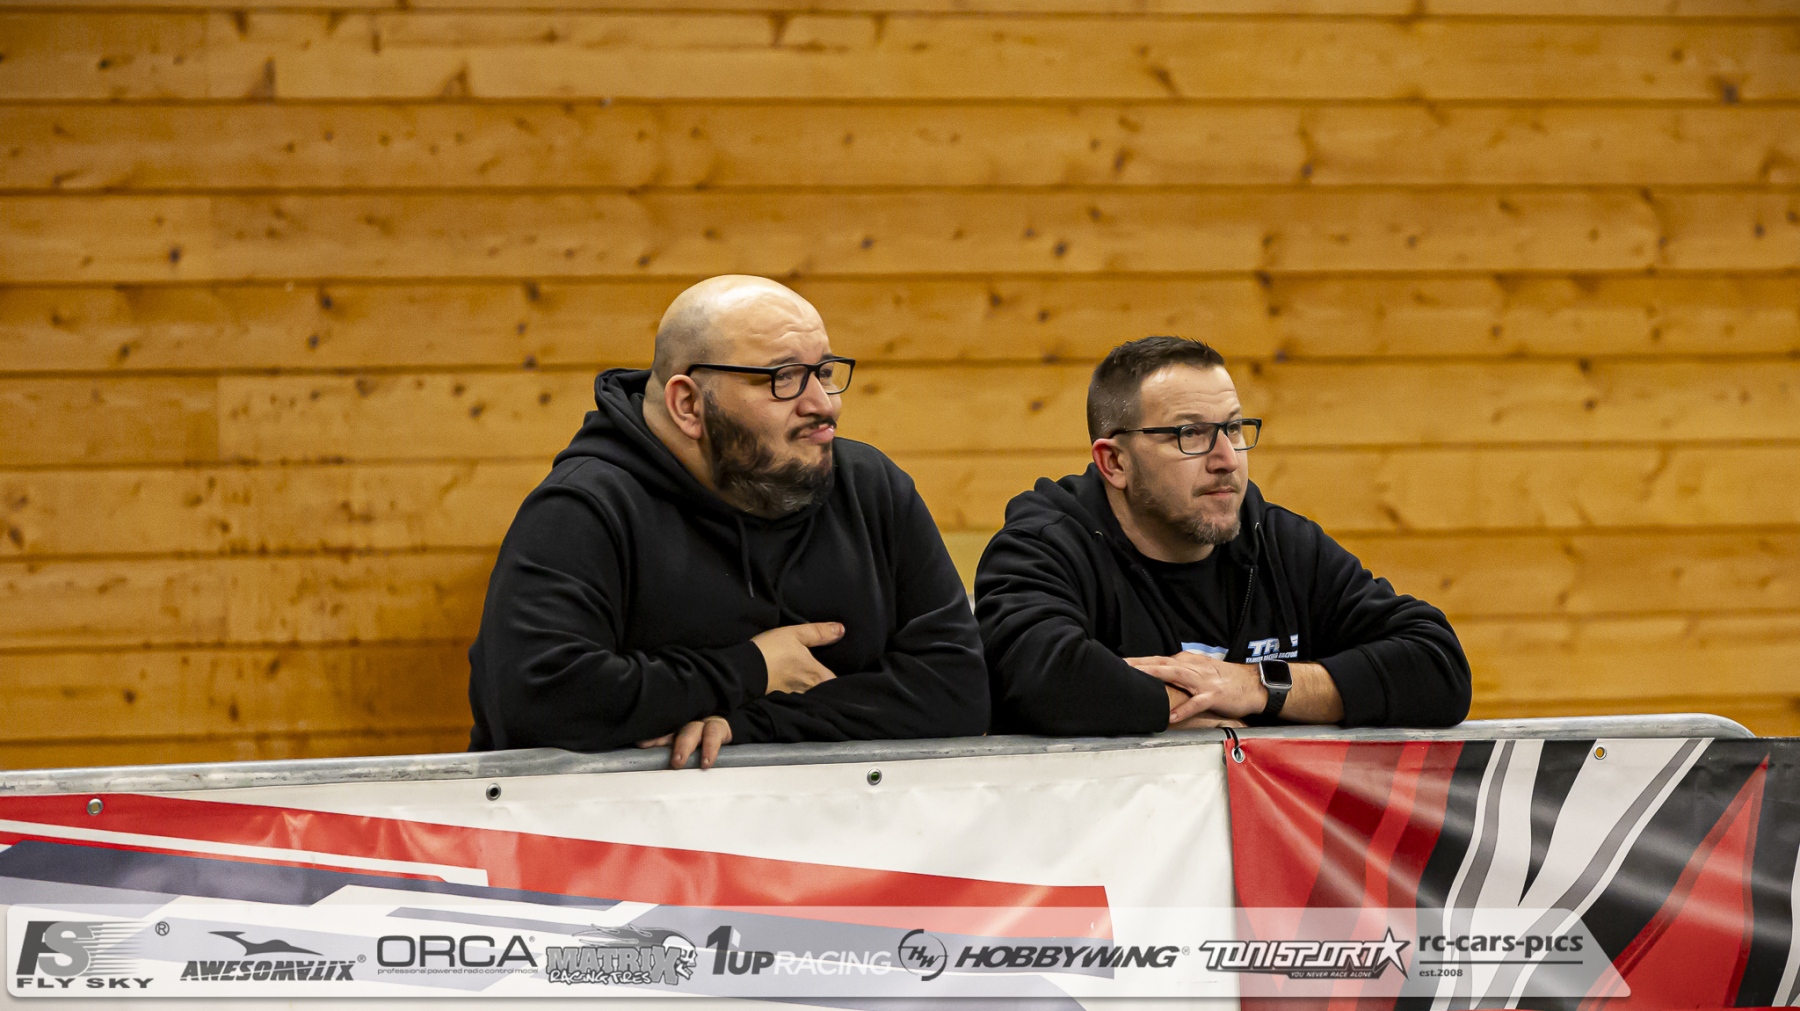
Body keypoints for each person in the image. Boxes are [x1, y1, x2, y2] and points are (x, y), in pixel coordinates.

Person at [467, 275, 987, 768]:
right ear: (688, 404)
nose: (823, 405)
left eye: (825, 373)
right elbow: (539, 698)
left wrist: (754, 724)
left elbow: (957, 688)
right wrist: (752, 668)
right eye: (784, 378)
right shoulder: (582, 508)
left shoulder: (870, 486)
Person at [975, 336, 1471, 735]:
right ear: (1114, 463)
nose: (1227, 459)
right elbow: (1037, 677)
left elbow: (1437, 665)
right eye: (1190, 434)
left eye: (1233, 428)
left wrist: (1256, 687)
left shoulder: (1279, 542)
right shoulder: (1045, 545)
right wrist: (1187, 702)